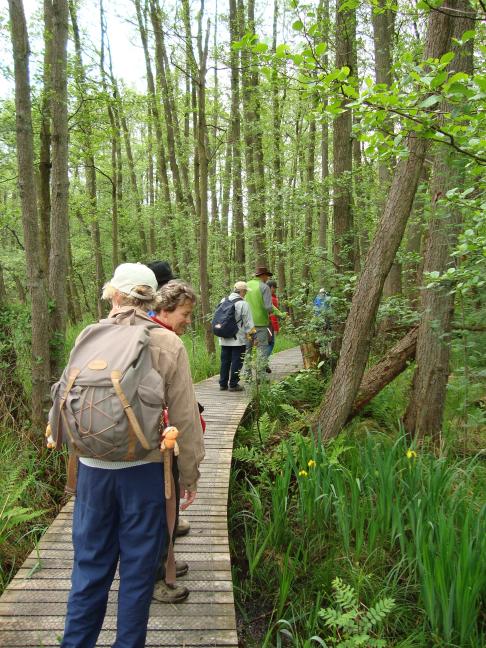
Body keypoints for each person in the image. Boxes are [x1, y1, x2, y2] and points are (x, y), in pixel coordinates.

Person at [59, 263, 204, 648]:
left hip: (92, 474)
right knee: (138, 576)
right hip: (144, 473)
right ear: (152, 298)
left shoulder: (89, 336)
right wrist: (188, 475)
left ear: (114, 295)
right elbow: (186, 418)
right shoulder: (167, 343)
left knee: (89, 571)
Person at [148, 280, 199, 603]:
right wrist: (190, 471)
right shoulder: (166, 342)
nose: (189, 320)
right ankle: (155, 579)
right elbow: (183, 411)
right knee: (157, 514)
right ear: (165, 310)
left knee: (158, 514)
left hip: (133, 446)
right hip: (160, 447)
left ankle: (163, 563)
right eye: (185, 313)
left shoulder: (137, 334)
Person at [146, 260, 192, 543]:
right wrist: (191, 468)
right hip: (158, 435)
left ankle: (167, 534)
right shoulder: (161, 333)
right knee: (162, 487)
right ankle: (161, 563)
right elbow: (180, 407)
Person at [245, 266, 286, 374]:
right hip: (261, 325)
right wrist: (280, 314)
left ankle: (247, 375)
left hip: (248, 324)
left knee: (247, 349)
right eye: (267, 276)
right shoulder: (264, 287)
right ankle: (261, 376)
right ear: (263, 276)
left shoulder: (247, 285)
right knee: (262, 349)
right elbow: (268, 306)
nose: (267, 278)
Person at [218, 281, 255, 392]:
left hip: (224, 337)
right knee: (237, 361)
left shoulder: (224, 300)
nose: (246, 294)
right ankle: (233, 384)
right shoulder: (243, 304)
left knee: (225, 361)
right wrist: (253, 336)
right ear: (242, 291)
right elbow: (248, 323)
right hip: (238, 338)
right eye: (245, 292)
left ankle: (223, 384)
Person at [266, 279, 284, 356]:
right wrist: (276, 328)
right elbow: (273, 315)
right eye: (275, 288)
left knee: (266, 343)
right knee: (271, 343)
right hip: (270, 325)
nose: (275, 290)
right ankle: (263, 362)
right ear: (271, 287)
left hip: (263, 324)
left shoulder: (264, 297)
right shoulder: (272, 299)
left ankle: (263, 363)